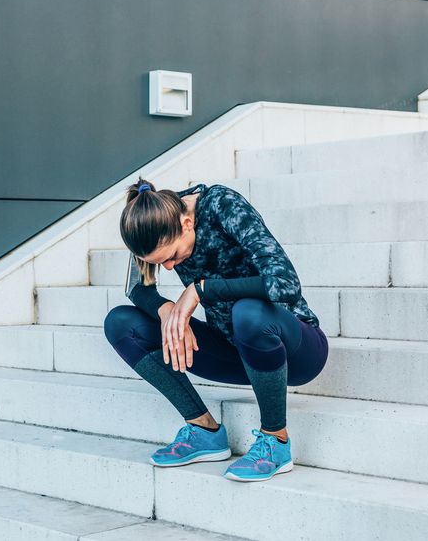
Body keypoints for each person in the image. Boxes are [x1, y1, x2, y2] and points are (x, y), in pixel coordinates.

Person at [103, 177, 329, 482]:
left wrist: (200, 290)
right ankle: (203, 430)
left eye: (171, 257)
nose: (168, 267)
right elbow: (136, 287)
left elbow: (284, 283)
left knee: (246, 312)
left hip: (294, 349)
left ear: (185, 223)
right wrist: (166, 309)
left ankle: (276, 441)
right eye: (159, 262)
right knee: (121, 323)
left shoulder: (221, 205)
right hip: (233, 350)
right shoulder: (153, 216)